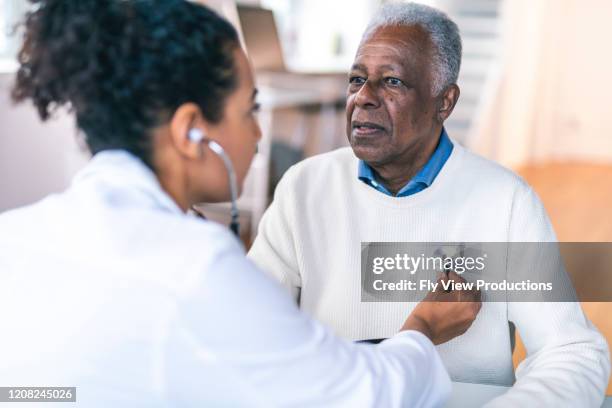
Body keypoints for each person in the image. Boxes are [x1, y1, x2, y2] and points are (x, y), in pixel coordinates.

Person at [0, 1, 482, 406]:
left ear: (445, 101)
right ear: (192, 130)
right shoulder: (202, 264)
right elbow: (352, 394)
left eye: (392, 81)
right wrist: (421, 326)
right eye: (249, 109)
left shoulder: (14, 235)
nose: (256, 133)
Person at [247, 2, 610, 406]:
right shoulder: (304, 187)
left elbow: (571, 351)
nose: (363, 98)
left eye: (392, 82)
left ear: (445, 103)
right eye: (356, 79)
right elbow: (248, 329)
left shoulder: (506, 201)